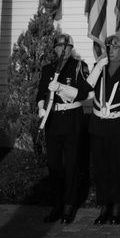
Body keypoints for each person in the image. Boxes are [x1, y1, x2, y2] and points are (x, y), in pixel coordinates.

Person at [36, 34, 92, 224]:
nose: (64, 49)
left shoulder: (78, 66)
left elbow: (85, 92)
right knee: (54, 166)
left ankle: (69, 205)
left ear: (71, 48)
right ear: (54, 49)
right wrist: (41, 107)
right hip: (52, 122)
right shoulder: (48, 69)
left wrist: (61, 88)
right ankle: (57, 203)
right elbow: (41, 92)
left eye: (67, 46)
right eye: (60, 46)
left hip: (72, 121)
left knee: (72, 165)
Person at [88, 33, 120, 225]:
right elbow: (86, 89)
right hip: (98, 127)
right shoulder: (98, 68)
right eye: (109, 47)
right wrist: (98, 68)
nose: (111, 50)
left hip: (119, 128)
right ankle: (104, 205)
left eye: (115, 47)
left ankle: (117, 205)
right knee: (101, 168)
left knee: (118, 168)